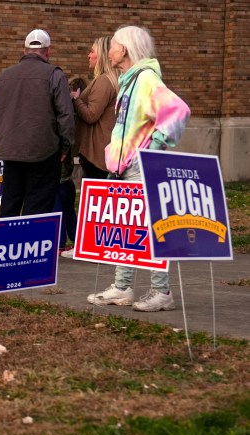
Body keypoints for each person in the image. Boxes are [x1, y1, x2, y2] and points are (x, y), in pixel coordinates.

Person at [87, 25, 190, 312]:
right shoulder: (131, 81)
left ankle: (162, 291)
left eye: (115, 44)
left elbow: (177, 110)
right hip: (127, 167)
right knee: (126, 226)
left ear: (126, 49)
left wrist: (152, 149)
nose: (111, 49)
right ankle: (122, 287)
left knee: (146, 227)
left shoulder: (145, 79)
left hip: (139, 167)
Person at [0, 29, 74, 217]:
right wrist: (64, 148)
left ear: (24, 50)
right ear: (48, 51)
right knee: (37, 208)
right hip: (44, 153)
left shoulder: (3, 77)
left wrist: (0, 143)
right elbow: (66, 116)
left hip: (11, 153)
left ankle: (5, 243)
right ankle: (29, 244)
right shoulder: (55, 75)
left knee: (10, 202)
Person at [72, 36, 119, 180]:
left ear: (102, 56)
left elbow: (91, 115)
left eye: (92, 52)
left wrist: (76, 99)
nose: (89, 55)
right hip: (101, 152)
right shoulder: (109, 80)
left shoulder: (104, 81)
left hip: (97, 156)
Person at [58, 76, 88, 255]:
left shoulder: (68, 109)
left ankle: (61, 242)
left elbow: (66, 131)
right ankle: (76, 238)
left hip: (62, 162)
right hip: (70, 164)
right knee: (68, 205)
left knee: (59, 204)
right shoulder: (79, 108)